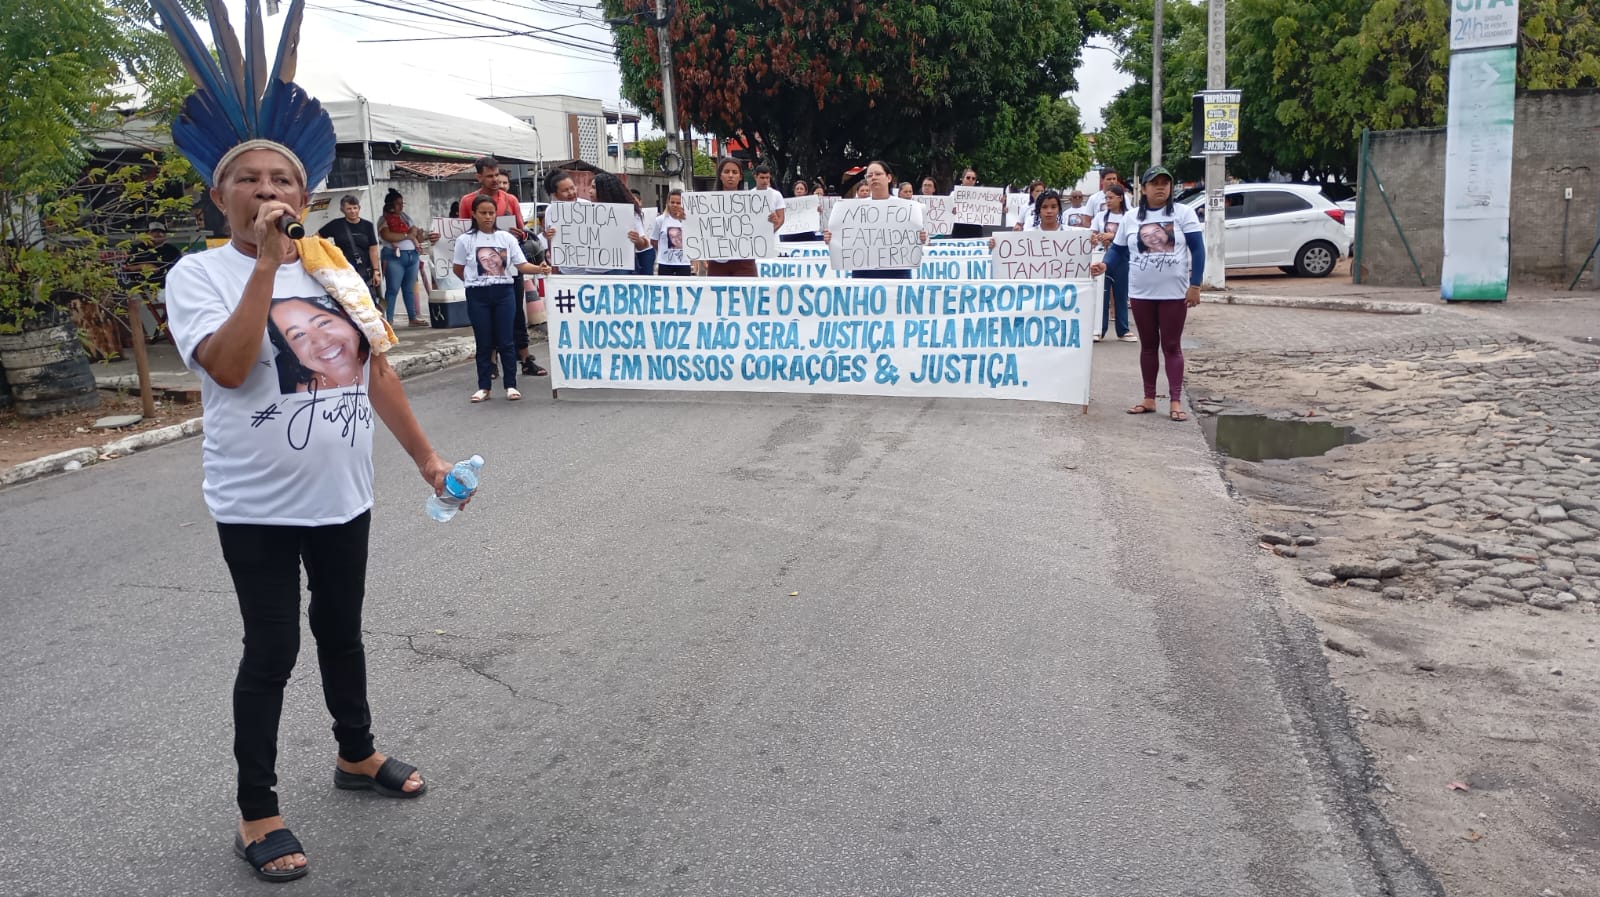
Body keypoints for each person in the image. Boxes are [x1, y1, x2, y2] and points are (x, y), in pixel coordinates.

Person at [153, 5, 454, 877]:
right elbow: (229, 362)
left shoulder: (333, 268)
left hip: (342, 496)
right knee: (273, 647)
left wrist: (429, 461)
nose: (268, 192)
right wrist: (261, 266)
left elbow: (377, 372)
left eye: (282, 180)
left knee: (344, 631)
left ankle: (355, 754)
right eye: (248, 180)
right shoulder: (198, 274)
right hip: (256, 503)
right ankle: (258, 811)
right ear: (220, 195)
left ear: (306, 196)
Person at [1090, 166, 1204, 422]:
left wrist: (1195, 285)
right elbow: (1118, 250)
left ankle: (1175, 400)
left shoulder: (1183, 214)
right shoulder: (1131, 219)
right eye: (1155, 183)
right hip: (1141, 293)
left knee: (1172, 346)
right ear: (1144, 188)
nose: (1161, 187)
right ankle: (1149, 398)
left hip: (1174, 293)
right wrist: (1105, 264)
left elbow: (1198, 250)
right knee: (1148, 347)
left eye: (1166, 182)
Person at [454, 194, 551, 402]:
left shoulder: (506, 238)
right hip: (478, 294)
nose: (488, 217)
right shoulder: (465, 240)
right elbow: (458, 268)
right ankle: (483, 387)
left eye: (491, 213)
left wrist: (540, 268)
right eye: (483, 213)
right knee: (484, 341)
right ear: (474, 214)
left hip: (504, 292)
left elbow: (521, 265)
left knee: (507, 339)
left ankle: (511, 384)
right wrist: (475, 280)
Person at [823, 159, 927, 280]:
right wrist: (832, 238)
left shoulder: (908, 207)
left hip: (898, 272)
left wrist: (921, 237)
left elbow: (919, 236)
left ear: (889, 178)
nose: (873, 178)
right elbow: (844, 237)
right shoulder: (853, 209)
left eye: (878, 174)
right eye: (869, 175)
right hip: (863, 273)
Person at [266, 295, 370, 392]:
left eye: (322, 323)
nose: (321, 340)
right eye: (299, 335)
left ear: (345, 319)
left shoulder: (374, 357)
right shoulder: (307, 390)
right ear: (293, 354)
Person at [698, 157, 766, 277]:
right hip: (717, 261)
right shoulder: (706, 203)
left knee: (747, 295)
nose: (730, 175)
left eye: (734, 172)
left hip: (744, 260)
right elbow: (698, 229)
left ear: (740, 176)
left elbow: (762, 232)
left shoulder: (752, 203)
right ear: (720, 175)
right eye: (726, 172)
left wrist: (771, 222)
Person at [378, 189, 434, 326]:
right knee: (392, 289)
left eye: (402, 203)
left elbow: (416, 236)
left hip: (412, 255)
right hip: (394, 255)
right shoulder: (384, 219)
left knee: (409, 289)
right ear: (390, 205)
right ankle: (388, 319)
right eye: (398, 203)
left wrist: (420, 235)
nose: (401, 206)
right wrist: (407, 236)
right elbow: (386, 235)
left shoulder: (405, 217)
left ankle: (412, 317)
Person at [316, 196, 382, 302]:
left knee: (369, 301)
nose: (353, 211)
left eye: (355, 208)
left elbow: (373, 249)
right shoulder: (336, 224)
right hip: (343, 270)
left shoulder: (368, 226)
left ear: (359, 208)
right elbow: (317, 238)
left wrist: (376, 271)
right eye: (349, 209)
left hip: (364, 271)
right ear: (342, 210)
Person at [1090, 183, 1133, 342]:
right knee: (1102, 294)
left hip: (1123, 258)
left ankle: (1123, 330)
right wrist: (1095, 238)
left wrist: (1112, 236)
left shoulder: (1129, 216)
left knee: (1121, 294)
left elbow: (1130, 238)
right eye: (1106, 198)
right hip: (1103, 258)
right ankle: (1099, 330)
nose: (1108, 201)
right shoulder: (1100, 216)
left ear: (1121, 198)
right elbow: (1092, 234)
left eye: (1111, 197)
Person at [592, 171, 647, 274]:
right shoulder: (585, 212)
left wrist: (637, 239)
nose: (590, 191)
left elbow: (644, 244)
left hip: (619, 270)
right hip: (592, 271)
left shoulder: (627, 213)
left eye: (594, 188)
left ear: (604, 191)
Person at [652, 189, 692, 275]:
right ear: (668, 203)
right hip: (665, 263)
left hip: (684, 263)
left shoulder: (689, 220)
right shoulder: (660, 220)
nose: (675, 205)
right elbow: (654, 241)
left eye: (678, 203)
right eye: (672, 202)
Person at [951, 167, 984, 238]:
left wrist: (999, 201)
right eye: (968, 178)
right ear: (962, 179)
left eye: (973, 178)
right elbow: (947, 211)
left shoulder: (981, 195)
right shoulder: (954, 194)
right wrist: (952, 210)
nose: (971, 180)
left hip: (976, 228)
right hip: (959, 228)